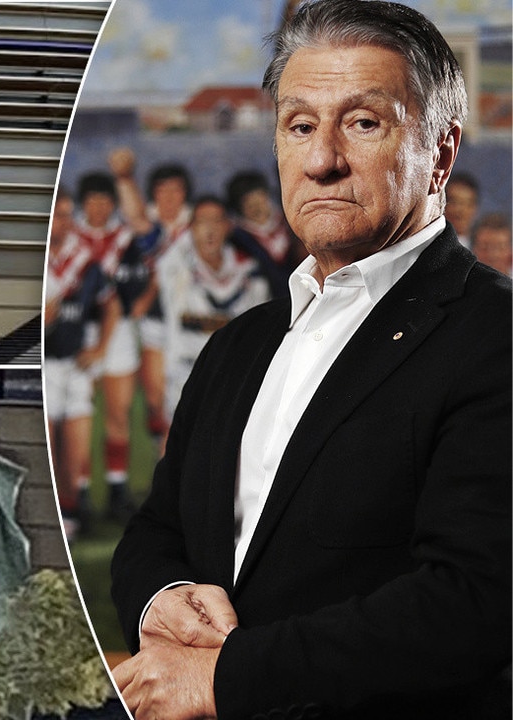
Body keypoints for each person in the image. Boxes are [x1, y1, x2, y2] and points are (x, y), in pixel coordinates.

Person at [109, 2, 511, 719]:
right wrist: (161, 600)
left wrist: (224, 680)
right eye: (300, 126)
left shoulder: (495, 335)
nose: (322, 159)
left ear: (441, 154)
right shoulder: (239, 344)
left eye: (362, 123)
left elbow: (475, 602)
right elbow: (156, 530)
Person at [45, 190, 122, 538]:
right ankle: (46, 512)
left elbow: (111, 304)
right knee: (45, 437)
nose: (58, 221)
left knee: (76, 438)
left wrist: (102, 347)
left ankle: (70, 508)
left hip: (75, 363)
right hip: (40, 363)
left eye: (64, 215)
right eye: (53, 214)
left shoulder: (85, 259)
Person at [156, 196, 269, 428]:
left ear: (228, 226)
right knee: (179, 451)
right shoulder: (175, 269)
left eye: (216, 221)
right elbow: (144, 229)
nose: (209, 229)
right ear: (190, 228)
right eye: (202, 222)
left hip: (232, 379)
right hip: (185, 375)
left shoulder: (250, 274)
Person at [109, 151, 193, 452]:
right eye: (163, 191)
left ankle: (173, 478)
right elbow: (136, 218)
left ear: (186, 193)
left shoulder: (198, 225)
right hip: (156, 323)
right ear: (154, 194)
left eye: (176, 190)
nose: (170, 197)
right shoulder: (151, 228)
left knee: (183, 403)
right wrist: (124, 177)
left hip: (192, 325)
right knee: (157, 400)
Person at [73, 172, 142, 523]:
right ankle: (80, 494)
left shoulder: (126, 235)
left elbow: (147, 274)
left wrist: (142, 300)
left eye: (105, 199)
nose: (99, 206)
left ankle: (118, 491)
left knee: (118, 413)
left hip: (120, 332)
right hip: (79, 331)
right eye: (92, 199)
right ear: (82, 203)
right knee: (80, 413)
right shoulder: (69, 237)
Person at [225, 170, 300, 299]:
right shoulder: (237, 240)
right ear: (239, 208)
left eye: (260, 199)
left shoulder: (291, 223)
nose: (257, 208)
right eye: (249, 204)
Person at [443, 171, 479, 248]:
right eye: (454, 202)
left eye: (466, 203)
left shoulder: (483, 252)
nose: (459, 210)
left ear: (475, 209)